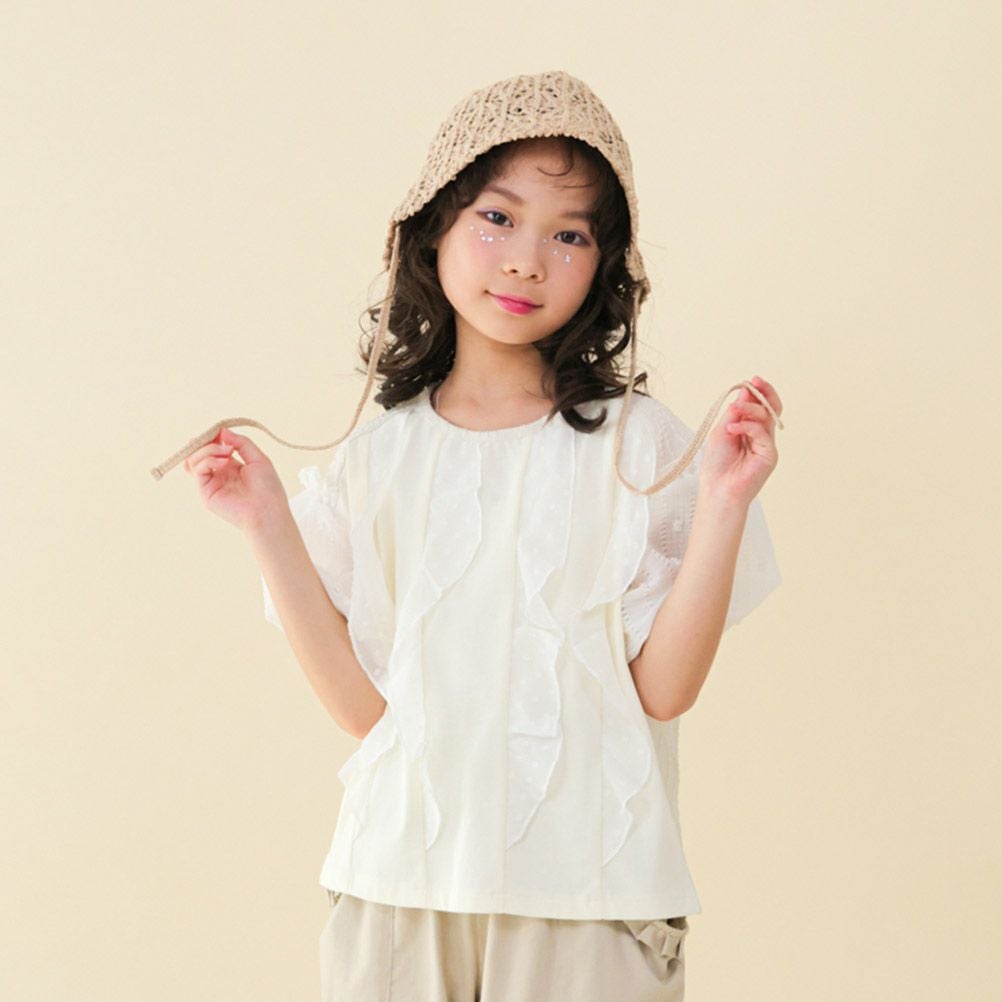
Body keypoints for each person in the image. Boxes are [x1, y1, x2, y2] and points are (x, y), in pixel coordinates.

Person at [165, 70, 784, 1002]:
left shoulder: (640, 448)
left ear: (605, 267)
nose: (527, 260)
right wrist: (266, 522)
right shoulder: (378, 459)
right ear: (434, 230)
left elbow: (663, 691)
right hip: (398, 889)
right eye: (497, 218)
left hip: (589, 893)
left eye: (570, 235)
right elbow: (365, 714)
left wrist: (725, 502)